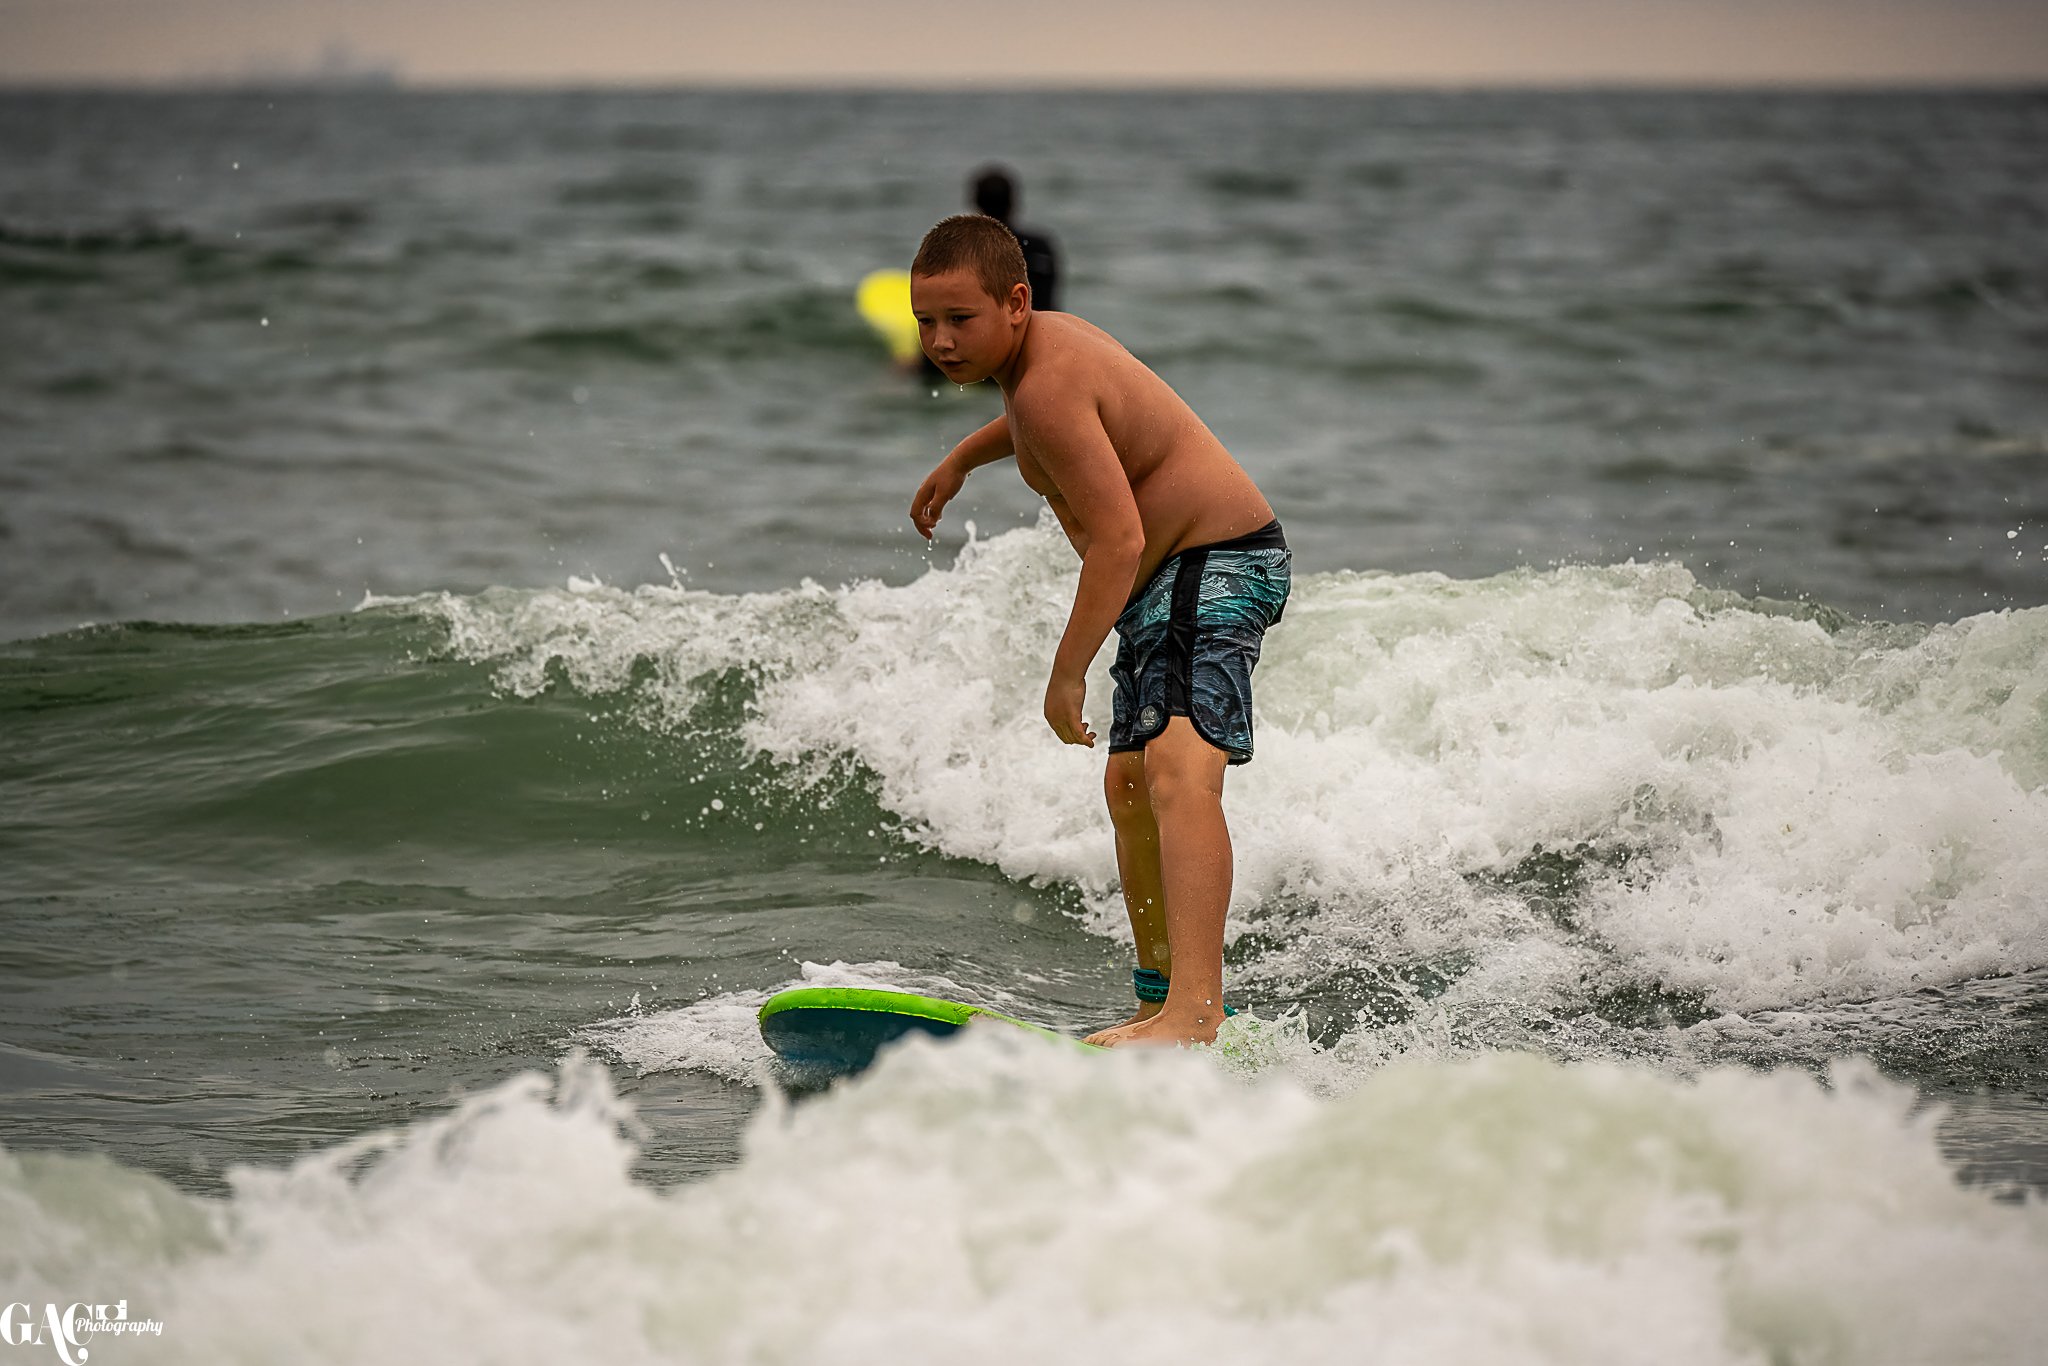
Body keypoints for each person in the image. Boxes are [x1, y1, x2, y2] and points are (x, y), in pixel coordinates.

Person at [907, 214, 1290, 1047]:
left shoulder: (1046, 381)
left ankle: (1194, 1012)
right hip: (1169, 577)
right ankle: (1160, 999)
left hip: (1216, 561)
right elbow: (1043, 429)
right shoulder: (1041, 359)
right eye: (924, 322)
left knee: (1179, 773)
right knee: (1127, 784)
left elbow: (1116, 538)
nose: (939, 341)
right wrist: (964, 459)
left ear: (1016, 302)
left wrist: (1066, 672)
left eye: (958, 320)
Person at [969, 165, 1061, 312]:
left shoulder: (967, 249)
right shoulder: (1040, 247)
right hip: (1043, 327)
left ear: (976, 203)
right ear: (1013, 202)